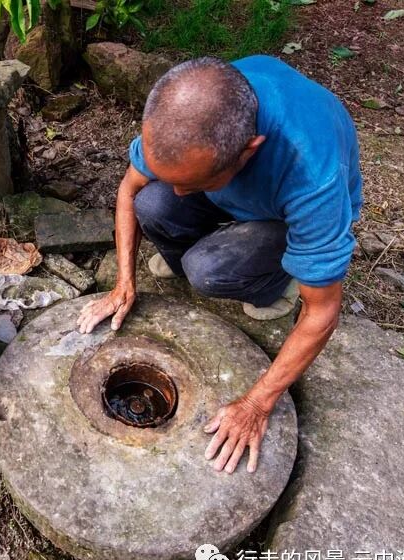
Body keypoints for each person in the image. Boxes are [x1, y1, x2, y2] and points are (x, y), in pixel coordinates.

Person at [76, 55, 362, 475]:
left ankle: (271, 285)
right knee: (153, 203)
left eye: (190, 183)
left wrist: (255, 404)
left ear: (249, 151)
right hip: (231, 186)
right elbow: (129, 191)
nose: (178, 190)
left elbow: (322, 312)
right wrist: (123, 283)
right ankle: (212, 236)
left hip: (280, 215)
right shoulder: (192, 105)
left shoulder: (310, 173)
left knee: (208, 270)